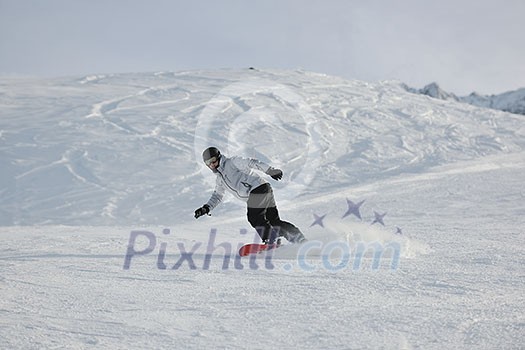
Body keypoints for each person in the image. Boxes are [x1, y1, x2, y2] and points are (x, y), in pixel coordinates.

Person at [194, 147, 306, 245]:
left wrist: (270, 171)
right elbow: (217, 195)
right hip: (263, 190)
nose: (211, 164)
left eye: (213, 160)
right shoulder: (220, 180)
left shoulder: (231, 162)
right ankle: (299, 240)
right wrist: (206, 208)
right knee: (273, 221)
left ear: (218, 157)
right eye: (208, 162)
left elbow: (251, 163)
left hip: (258, 188)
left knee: (254, 217)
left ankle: (271, 240)